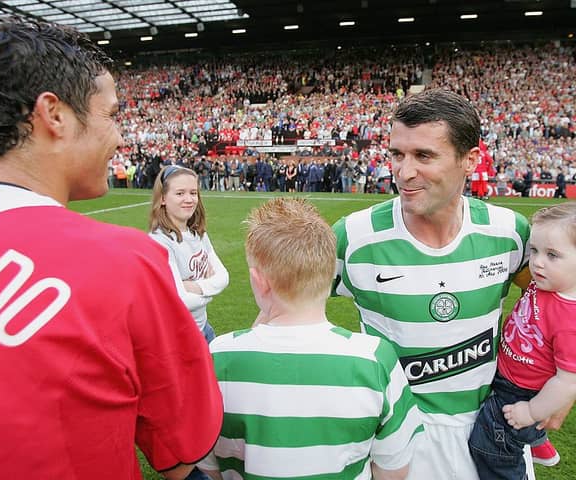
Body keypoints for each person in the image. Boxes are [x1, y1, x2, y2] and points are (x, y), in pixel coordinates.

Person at [0, 17, 222, 480]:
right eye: (110, 115)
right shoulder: (121, 261)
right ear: (54, 114)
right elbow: (180, 447)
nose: (120, 137)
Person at [332, 88, 539, 480]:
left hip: (489, 435)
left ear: (470, 161)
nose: (404, 172)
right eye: (397, 154)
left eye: (424, 156)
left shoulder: (510, 232)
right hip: (397, 441)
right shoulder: (353, 238)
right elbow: (284, 317)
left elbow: (552, 311)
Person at [199, 198, 423, 480]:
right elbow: (393, 470)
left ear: (259, 281)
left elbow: (209, 467)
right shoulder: (376, 359)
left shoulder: (218, 356)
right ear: (331, 273)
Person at [469, 202, 576, 479]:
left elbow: (568, 381)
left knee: (491, 448)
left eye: (552, 255)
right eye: (536, 251)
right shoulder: (547, 282)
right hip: (507, 375)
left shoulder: (569, 319)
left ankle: (529, 435)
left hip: (521, 393)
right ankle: (537, 442)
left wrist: (531, 411)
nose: (538, 261)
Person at [149, 165, 229, 344]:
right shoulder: (160, 241)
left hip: (204, 329)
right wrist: (211, 287)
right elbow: (181, 301)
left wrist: (192, 287)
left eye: (193, 193)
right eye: (180, 193)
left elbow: (224, 277)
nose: (189, 199)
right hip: (179, 339)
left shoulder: (198, 234)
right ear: (162, 198)